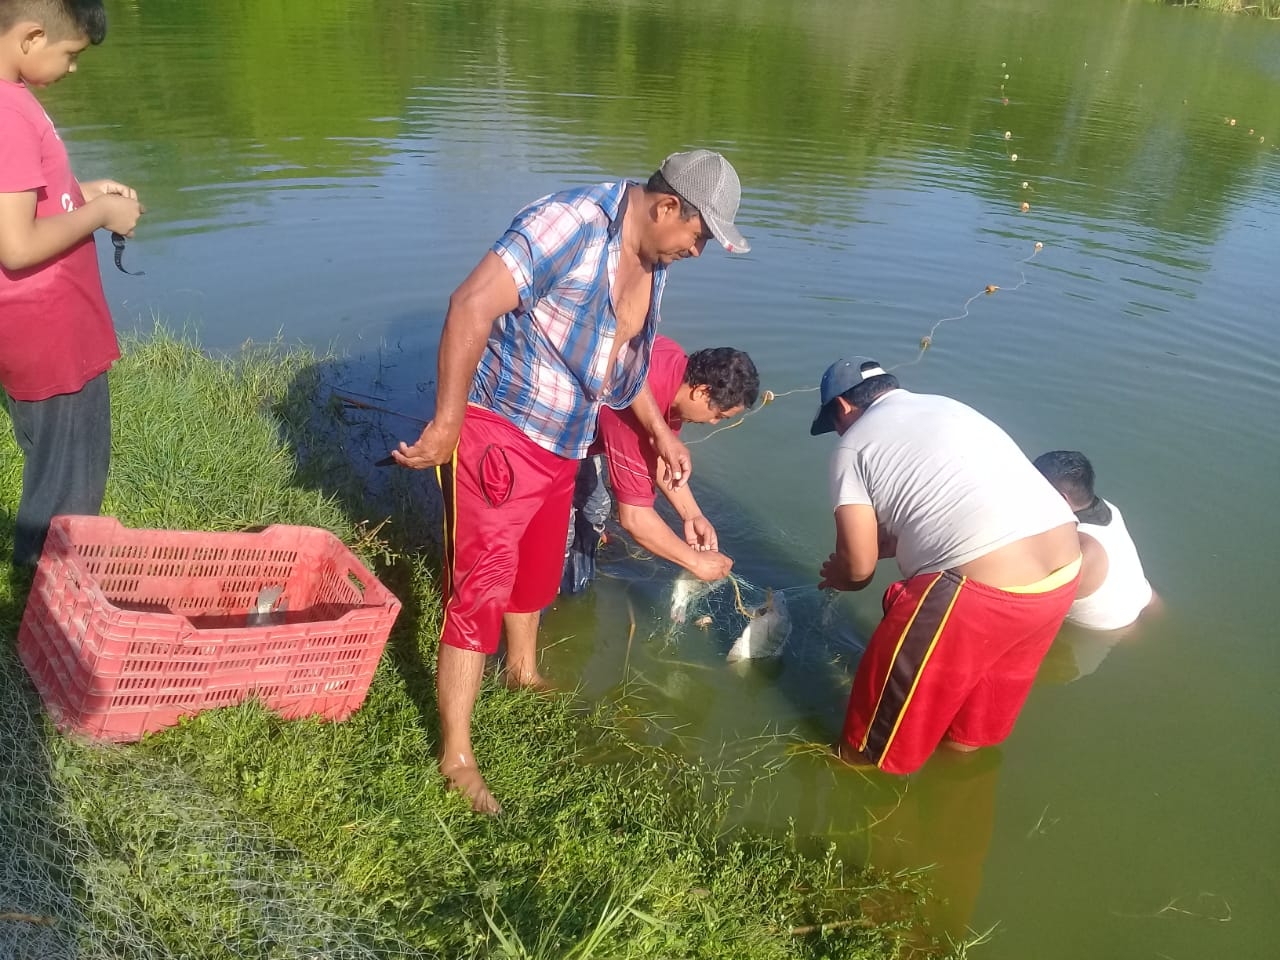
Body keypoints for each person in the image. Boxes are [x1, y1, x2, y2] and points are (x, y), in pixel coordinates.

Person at [391, 149, 750, 813]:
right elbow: (470, 304)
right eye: (700, 237)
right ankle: (456, 755)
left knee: (535, 575)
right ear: (668, 206)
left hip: (565, 442)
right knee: (480, 590)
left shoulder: (655, 261)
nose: (699, 252)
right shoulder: (571, 224)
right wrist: (445, 424)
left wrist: (662, 431)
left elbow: (623, 366)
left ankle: (522, 671)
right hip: (503, 430)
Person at [810, 358, 1081, 775]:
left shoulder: (852, 444)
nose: (840, 433)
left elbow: (859, 567)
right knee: (967, 733)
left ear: (843, 407)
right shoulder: (945, 407)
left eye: (835, 422)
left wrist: (839, 577)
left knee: (866, 751)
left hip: (977, 594)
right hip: (1061, 575)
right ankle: (954, 791)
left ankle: (857, 806)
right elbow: (957, 502)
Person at [0, 0, 143, 568]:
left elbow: (19, 202)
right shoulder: (8, 112)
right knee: (69, 484)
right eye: (71, 54)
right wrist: (101, 213)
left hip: (36, 330)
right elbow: (16, 244)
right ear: (32, 37)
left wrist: (80, 192)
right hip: (50, 331)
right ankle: (49, 603)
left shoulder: (11, 103)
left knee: (54, 464)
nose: (74, 68)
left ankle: (43, 587)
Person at [560, 334, 758, 593]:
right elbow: (634, 518)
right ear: (701, 392)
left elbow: (657, 456)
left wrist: (693, 515)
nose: (713, 423)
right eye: (718, 415)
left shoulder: (673, 362)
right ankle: (542, 601)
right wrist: (695, 562)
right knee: (559, 537)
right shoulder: (632, 411)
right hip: (550, 433)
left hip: (583, 425)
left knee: (595, 507)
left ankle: (574, 585)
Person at [1033, 450, 1156, 631]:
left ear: (1061, 498)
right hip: (1144, 599)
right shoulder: (1109, 508)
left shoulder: (1073, 544)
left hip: (1105, 630)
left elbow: (1027, 599)